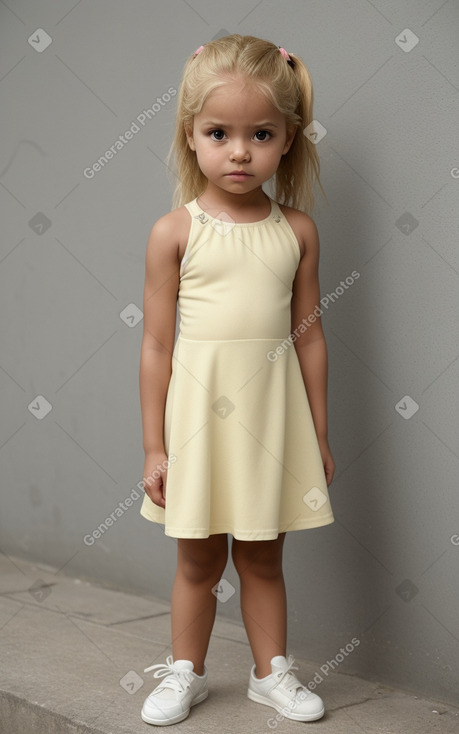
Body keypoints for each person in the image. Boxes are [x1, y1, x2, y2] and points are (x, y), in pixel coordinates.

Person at [138, 33, 335, 727]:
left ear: (287, 140)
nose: (240, 151)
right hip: (196, 426)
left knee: (261, 557)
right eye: (218, 133)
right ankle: (185, 672)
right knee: (197, 562)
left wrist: (317, 432)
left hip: (271, 427)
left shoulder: (298, 231)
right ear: (190, 135)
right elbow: (157, 346)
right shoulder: (174, 232)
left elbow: (308, 338)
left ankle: (268, 674)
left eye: (260, 134)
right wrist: (153, 447)